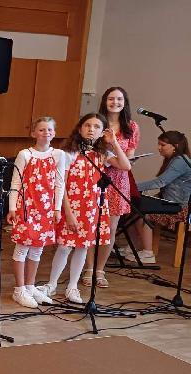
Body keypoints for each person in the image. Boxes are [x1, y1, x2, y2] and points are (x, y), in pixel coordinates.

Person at [40, 113, 131, 304]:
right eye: (87, 125)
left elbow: (125, 165)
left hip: (92, 208)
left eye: (97, 127)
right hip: (71, 206)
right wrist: (68, 212)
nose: (91, 129)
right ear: (80, 128)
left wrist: (113, 142)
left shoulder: (102, 154)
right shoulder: (68, 153)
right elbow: (61, 184)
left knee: (82, 248)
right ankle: (52, 284)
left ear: (102, 131)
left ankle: (72, 286)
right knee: (65, 247)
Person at [7, 117, 65, 308]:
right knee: (23, 247)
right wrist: (12, 207)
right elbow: (15, 183)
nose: (45, 133)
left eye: (49, 129)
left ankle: (31, 286)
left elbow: (59, 183)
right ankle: (19, 288)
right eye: (41, 130)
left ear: (54, 133)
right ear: (33, 133)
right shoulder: (25, 154)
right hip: (26, 206)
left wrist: (57, 208)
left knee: (37, 249)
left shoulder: (58, 155)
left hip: (46, 208)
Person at [85, 87, 138, 288]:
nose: (115, 102)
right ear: (104, 101)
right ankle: (88, 268)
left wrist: (114, 148)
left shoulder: (131, 126)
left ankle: (100, 270)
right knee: (92, 225)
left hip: (119, 181)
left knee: (110, 228)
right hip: (95, 177)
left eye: (119, 99)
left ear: (125, 102)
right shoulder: (97, 122)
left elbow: (129, 158)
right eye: (110, 98)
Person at [132, 131, 191, 262]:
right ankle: (133, 247)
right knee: (134, 208)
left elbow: (160, 182)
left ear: (175, 146)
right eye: (158, 144)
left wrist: (132, 187)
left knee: (144, 214)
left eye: (162, 145)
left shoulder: (181, 161)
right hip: (167, 202)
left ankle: (148, 254)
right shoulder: (175, 159)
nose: (159, 148)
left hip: (178, 207)